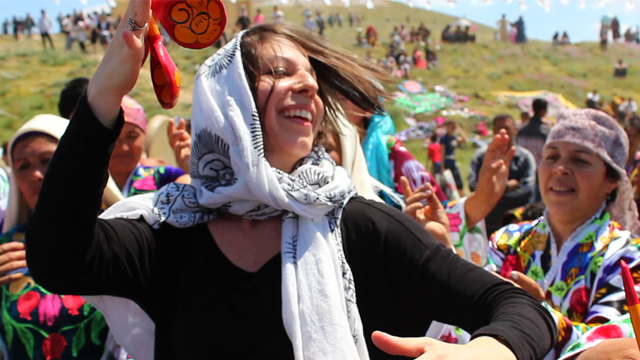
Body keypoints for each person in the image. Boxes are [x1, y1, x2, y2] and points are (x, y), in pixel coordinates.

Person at [26, 4, 556, 358]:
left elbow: (520, 308)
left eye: (310, 78)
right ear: (227, 103)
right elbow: (58, 258)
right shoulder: (169, 230)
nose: (307, 86)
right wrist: (103, 94)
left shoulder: (359, 226)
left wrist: (488, 352)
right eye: (278, 73)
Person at [436, 109, 640, 360]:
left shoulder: (628, 258)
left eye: (580, 160)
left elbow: (617, 344)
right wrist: (442, 252)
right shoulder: (507, 241)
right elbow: (465, 320)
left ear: (611, 180)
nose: (561, 169)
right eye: (552, 156)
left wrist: (534, 315)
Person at [0, 114, 129, 360]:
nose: (35, 175)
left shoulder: (119, 236)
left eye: (47, 161)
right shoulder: (7, 248)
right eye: (23, 166)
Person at [468, 114, 536, 236]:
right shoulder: (481, 157)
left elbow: (527, 191)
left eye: (507, 128)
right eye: (499, 128)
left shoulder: (525, 158)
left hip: (516, 227)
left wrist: (488, 193)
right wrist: (507, 187)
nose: (503, 132)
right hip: (485, 224)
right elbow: (473, 185)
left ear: (515, 130)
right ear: (493, 130)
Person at [108, 96, 188, 197]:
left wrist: (190, 166)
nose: (124, 147)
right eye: (114, 137)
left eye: (132, 136)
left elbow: (204, 197)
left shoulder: (166, 177)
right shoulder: (85, 180)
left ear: (144, 137)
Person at [516, 98, 549, 202]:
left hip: (522, 172)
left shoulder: (521, 130)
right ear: (544, 111)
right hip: (540, 173)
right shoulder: (546, 132)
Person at [440, 120, 467, 193]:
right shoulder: (444, 138)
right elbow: (442, 153)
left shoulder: (454, 137)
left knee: (459, 183)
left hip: (453, 162)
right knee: (449, 184)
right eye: (451, 127)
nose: (452, 129)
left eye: (453, 127)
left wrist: (459, 128)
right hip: (447, 163)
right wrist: (442, 167)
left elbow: (464, 140)